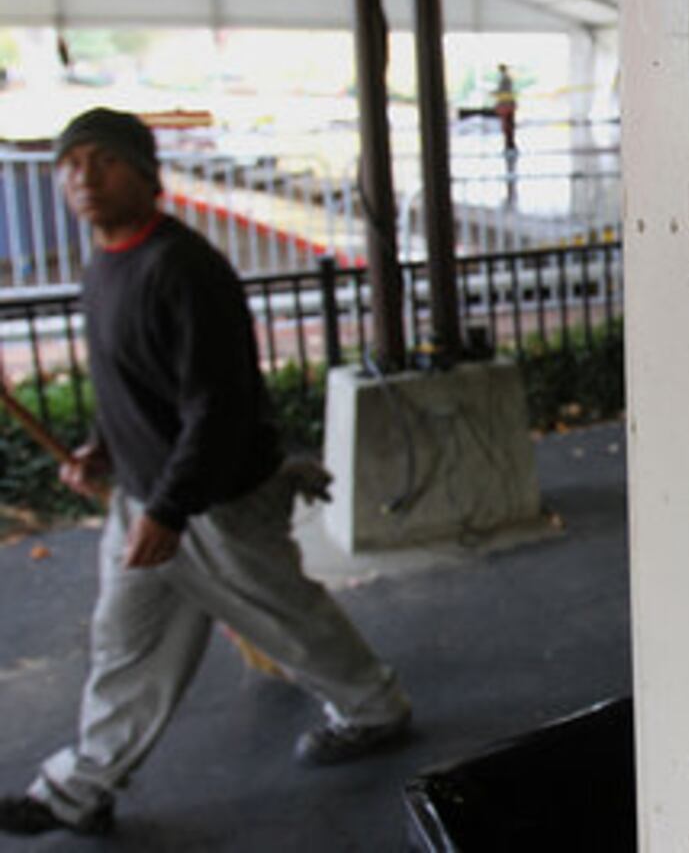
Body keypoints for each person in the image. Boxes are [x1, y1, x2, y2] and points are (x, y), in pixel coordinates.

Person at [0, 109, 412, 837]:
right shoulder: (104, 265)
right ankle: (81, 788)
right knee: (125, 648)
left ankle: (375, 710)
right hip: (149, 499)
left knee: (286, 619)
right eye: (70, 164)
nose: (83, 178)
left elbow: (217, 406)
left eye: (103, 161)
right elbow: (134, 384)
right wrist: (102, 447)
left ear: (146, 174)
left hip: (216, 503)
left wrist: (170, 508)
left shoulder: (184, 270)